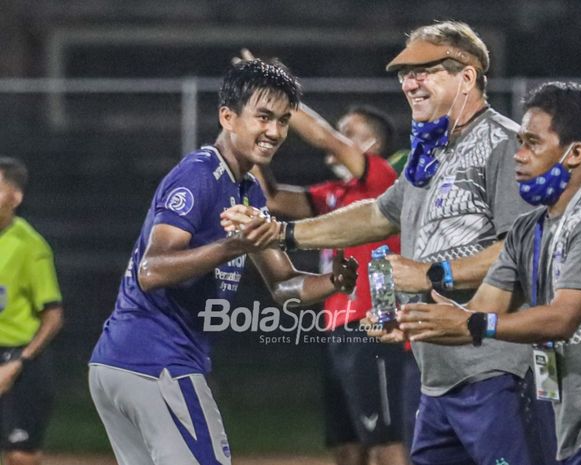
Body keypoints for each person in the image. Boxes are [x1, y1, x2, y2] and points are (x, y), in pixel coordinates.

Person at [223, 21, 544, 465]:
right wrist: (284, 233)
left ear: (467, 76)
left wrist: (434, 274)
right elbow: (377, 214)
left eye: (424, 70)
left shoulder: (504, 143)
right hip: (433, 372)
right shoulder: (428, 154)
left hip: (492, 369)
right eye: (404, 73)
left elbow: (523, 250)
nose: (409, 82)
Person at [398, 81, 581, 464]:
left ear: (575, 153)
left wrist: (474, 324)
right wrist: (416, 322)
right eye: (519, 141)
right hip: (573, 423)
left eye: (532, 143)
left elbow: (562, 318)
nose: (517, 155)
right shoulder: (527, 228)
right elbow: (482, 309)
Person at [88, 58, 358, 465]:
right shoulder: (200, 173)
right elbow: (152, 270)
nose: (274, 131)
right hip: (156, 362)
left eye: (283, 120)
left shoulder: (249, 192)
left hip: (123, 365)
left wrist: (335, 281)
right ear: (228, 117)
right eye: (263, 117)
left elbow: (285, 289)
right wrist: (233, 247)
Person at [252, 99, 410, 465]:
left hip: (375, 324)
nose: (340, 137)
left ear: (371, 145)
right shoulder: (335, 194)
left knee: (385, 441)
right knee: (347, 446)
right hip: (336, 327)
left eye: (350, 132)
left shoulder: (382, 179)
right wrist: (254, 142)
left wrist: (277, 99)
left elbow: (323, 137)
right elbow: (274, 198)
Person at [0, 157, 64, 465]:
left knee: (21, 457)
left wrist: (19, 362)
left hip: (19, 366)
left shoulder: (30, 246)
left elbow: (53, 315)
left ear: (15, 197)